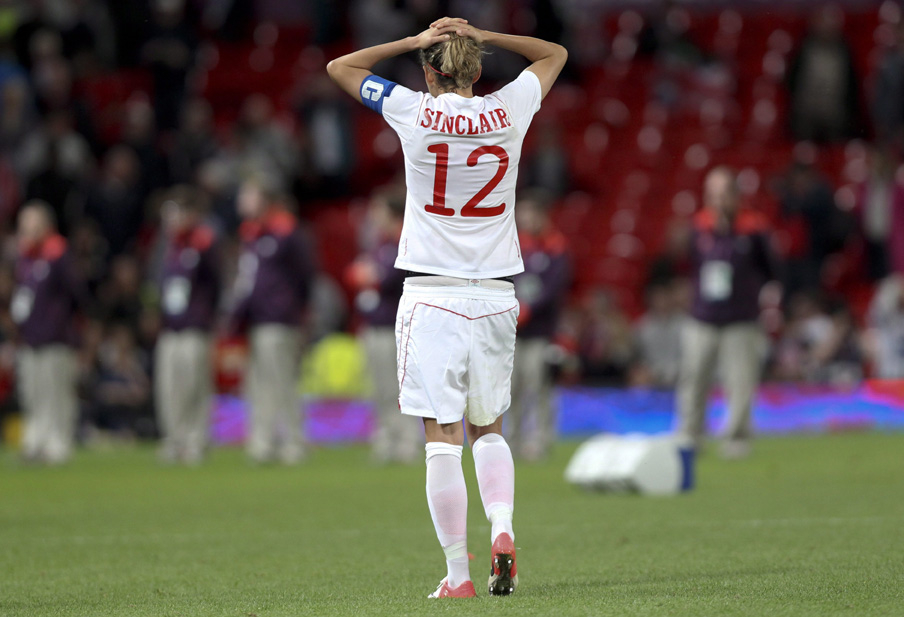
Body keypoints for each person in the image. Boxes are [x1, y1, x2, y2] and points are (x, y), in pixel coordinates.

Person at [327, 17, 566, 598]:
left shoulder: (411, 109)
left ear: (429, 73)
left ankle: (459, 575)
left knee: (441, 437)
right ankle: (503, 529)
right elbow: (554, 53)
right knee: (489, 429)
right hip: (494, 294)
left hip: (433, 294)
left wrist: (410, 43)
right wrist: (489, 35)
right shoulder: (508, 109)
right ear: (478, 70)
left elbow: (342, 68)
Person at [676, 167, 779, 460]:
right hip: (702, 316)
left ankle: (737, 436)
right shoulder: (698, 227)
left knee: (740, 381)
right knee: (694, 378)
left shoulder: (754, 228)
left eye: (723, 194)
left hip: (741, 318)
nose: (717, 201)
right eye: (712, 195)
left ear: (736, 196)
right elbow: (688, 265)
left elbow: (771, 270)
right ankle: (690, 435)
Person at [230, 175, 315, 465]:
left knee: (283, 382)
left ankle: (293, 441)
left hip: (280, 319)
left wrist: (296, 310)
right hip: (256, 320)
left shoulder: (286, 232)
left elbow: (305, 276)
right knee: (258, 383)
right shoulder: (252, 233)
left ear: (263, 199)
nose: (242, 201)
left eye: (248, 195)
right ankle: (262, 442)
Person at [348, 185, 421, 464]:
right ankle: (386, 439)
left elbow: (389, 277)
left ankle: (406, 441)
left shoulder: (405, 241)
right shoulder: (379, 243)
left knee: (399, 387)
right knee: (379, 386)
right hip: (375, 323)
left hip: (396, 324)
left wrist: (370, 275)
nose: (373, 216)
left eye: (377, 210)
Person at [12, 200, 89, 464]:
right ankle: (36, 441)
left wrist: (68, 325)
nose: (25, 228)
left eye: (31, 222)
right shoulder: (25, 257)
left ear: (46, 225)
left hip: (56, 338)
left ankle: (58, 444)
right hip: (30, 337)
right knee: (32, 393)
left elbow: (77, 294)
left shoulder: (58, 254)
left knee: (56, 393)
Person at [154, 186, 220, 464]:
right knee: (169, 386)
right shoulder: (168, 246)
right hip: (171, 325)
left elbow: (216, 283)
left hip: (195, 325)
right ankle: (174, 438)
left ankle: (195, 439)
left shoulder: (204, 243)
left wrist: (208, 316)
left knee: (194, 384)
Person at [509, 189, 571, 460]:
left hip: (540, 332)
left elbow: (554, 288)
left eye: (530, 214)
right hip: (512, 332)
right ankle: (511, 440)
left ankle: (540, 440)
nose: (525, 219)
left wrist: (530, 309)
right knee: (512, 389)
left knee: (539, 387)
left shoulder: (556, 246)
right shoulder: (514, 244)